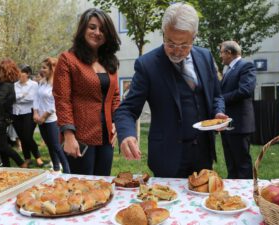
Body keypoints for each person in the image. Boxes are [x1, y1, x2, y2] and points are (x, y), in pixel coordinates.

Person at [115, 3, 227, 178]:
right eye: (170, 43)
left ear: (194, 37)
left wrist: (218, 112)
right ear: (164, 33)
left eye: (184, 45)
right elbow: (127, 109)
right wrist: (127, 135)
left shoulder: (205, 56)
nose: (176, 51)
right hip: (167, 156)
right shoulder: (147, 65)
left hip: (203, 153)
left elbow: (216, 95)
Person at [53, 8, 120, 176]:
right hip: (80, 138)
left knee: (103, 186)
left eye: (102, 29)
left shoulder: (109, 61)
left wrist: (117, 122)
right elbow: (62, 100)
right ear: (83, 28)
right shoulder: (68, 59)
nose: (97, 32)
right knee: (83, 189)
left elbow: (115, 96)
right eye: (92, 27)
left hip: (106, 137)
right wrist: (68, 135)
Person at [219, 41, 256, 179]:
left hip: (240, 124)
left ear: (229, 53)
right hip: (227, 124)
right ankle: (233, 193)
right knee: (231, 163)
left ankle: (246, 193)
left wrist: (221, 98)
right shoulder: (228, 69)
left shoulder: (246, 66)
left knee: (242, 164)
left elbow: (245, 90)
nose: (220, 55)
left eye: (222, 52)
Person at [0, 59, 25, 167]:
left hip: (0, 119)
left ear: (6, 71)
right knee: (1, 145)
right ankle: (6, 166)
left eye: (1, 70)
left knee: (2, 146)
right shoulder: (2, 84)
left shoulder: (6, 85)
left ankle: (21, 163)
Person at [33, 57, 70, 174]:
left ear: (52, 68)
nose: (41, 70)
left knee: (57, 146)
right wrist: (35, 113)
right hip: (40, 120)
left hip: (51, 120)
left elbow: (55, 103)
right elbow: (36, 99)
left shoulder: (57, 84)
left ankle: (68, 171)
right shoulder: (42, 82)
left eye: (44, 67)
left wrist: (43, 116)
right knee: (49, 145)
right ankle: (56, 168)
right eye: (41, 67)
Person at [13, 64, 45, 168]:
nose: (19, 75)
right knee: (22, 137)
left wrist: (19, 97)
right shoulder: (15, 85)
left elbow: (32, 98)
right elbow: (13, 98)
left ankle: (37, 156)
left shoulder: (34, 84)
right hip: (16, 113)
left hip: (29, 112)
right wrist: (23, 95)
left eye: (21, 73)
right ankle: (27, 158)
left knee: (27, 136)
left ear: (27, 74)